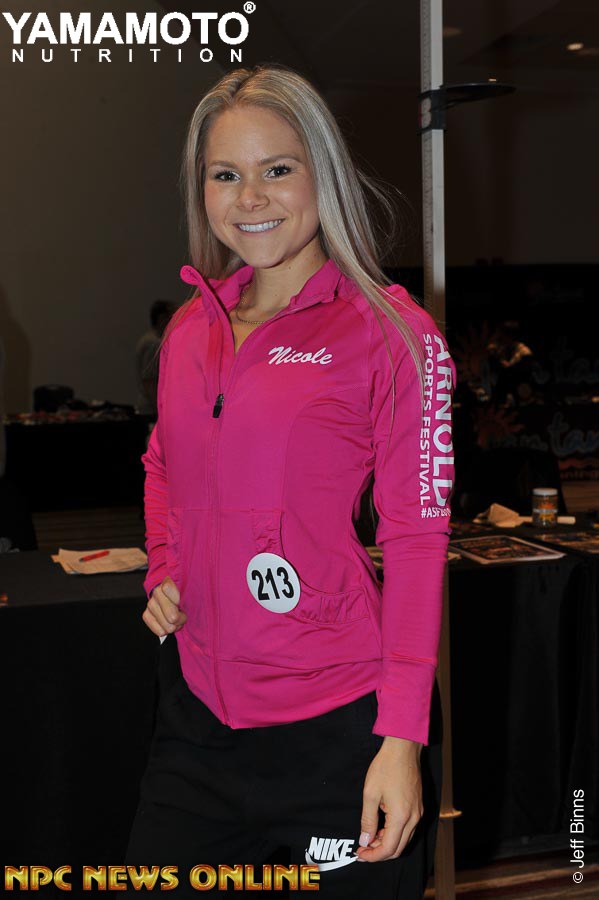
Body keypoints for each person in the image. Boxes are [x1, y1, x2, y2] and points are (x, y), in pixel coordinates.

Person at [125, 64, 456, 898]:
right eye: (223, 175)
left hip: (340, 730)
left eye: (277, 168)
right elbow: (162, 462)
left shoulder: (394, 333)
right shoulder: (191, 329)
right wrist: (166, 565)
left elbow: (417, 541)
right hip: (197, 721)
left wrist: (401, 740)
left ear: (322, 173)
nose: (250, 198)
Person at [135, 299, 176, 416]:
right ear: (162, 318)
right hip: (151, 409)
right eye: (171, 317)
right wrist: (160, 409)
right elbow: (149, 381)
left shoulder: (150, 340)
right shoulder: (153, 344)